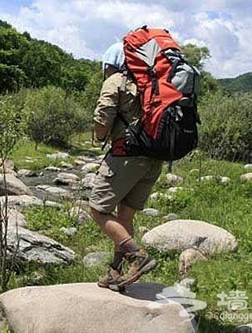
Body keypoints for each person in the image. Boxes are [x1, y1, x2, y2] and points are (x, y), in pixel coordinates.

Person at [89, 42, 162, 291]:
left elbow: (103, 114)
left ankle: (137, 255)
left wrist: (99, 135)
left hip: (127, 155)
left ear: (110, 63)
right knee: (125, 216)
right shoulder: (153, 83)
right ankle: (115, 272)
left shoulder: (117, 80)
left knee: (97, 210)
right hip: (154, 157)